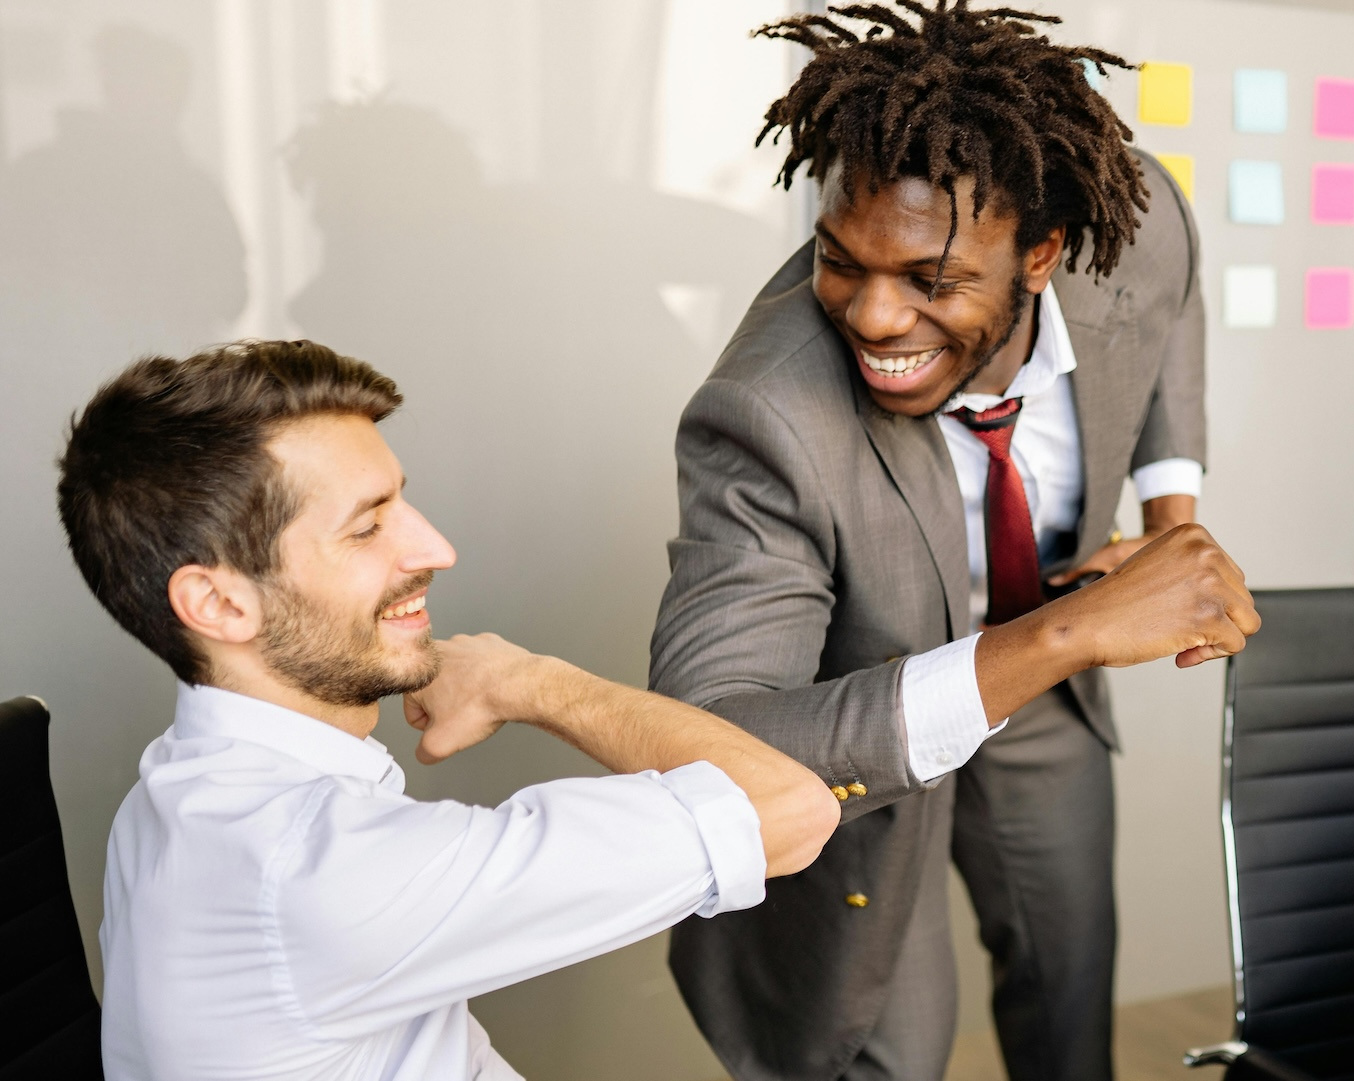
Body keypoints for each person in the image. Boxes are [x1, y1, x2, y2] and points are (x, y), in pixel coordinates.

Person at [648, 5, 1247, 1081]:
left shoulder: (1136, 222)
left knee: (1069, 994)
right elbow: (714, 736)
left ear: (1043, 256)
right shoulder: (764, 414)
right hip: (857, 721)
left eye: (930, 281)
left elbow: (1169, 322)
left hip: (1046, 697)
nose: (873, 317)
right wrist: (1075, 631)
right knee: (892, 1045)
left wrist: (1173, 521)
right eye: (840, 261)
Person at [57, 340, 842, 1081]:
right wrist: (527, 680)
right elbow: (788, 807)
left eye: (403, 502)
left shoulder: (178, 789)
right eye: (367, 526)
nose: (435, 547)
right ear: (220, 603)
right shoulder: (317, 874)